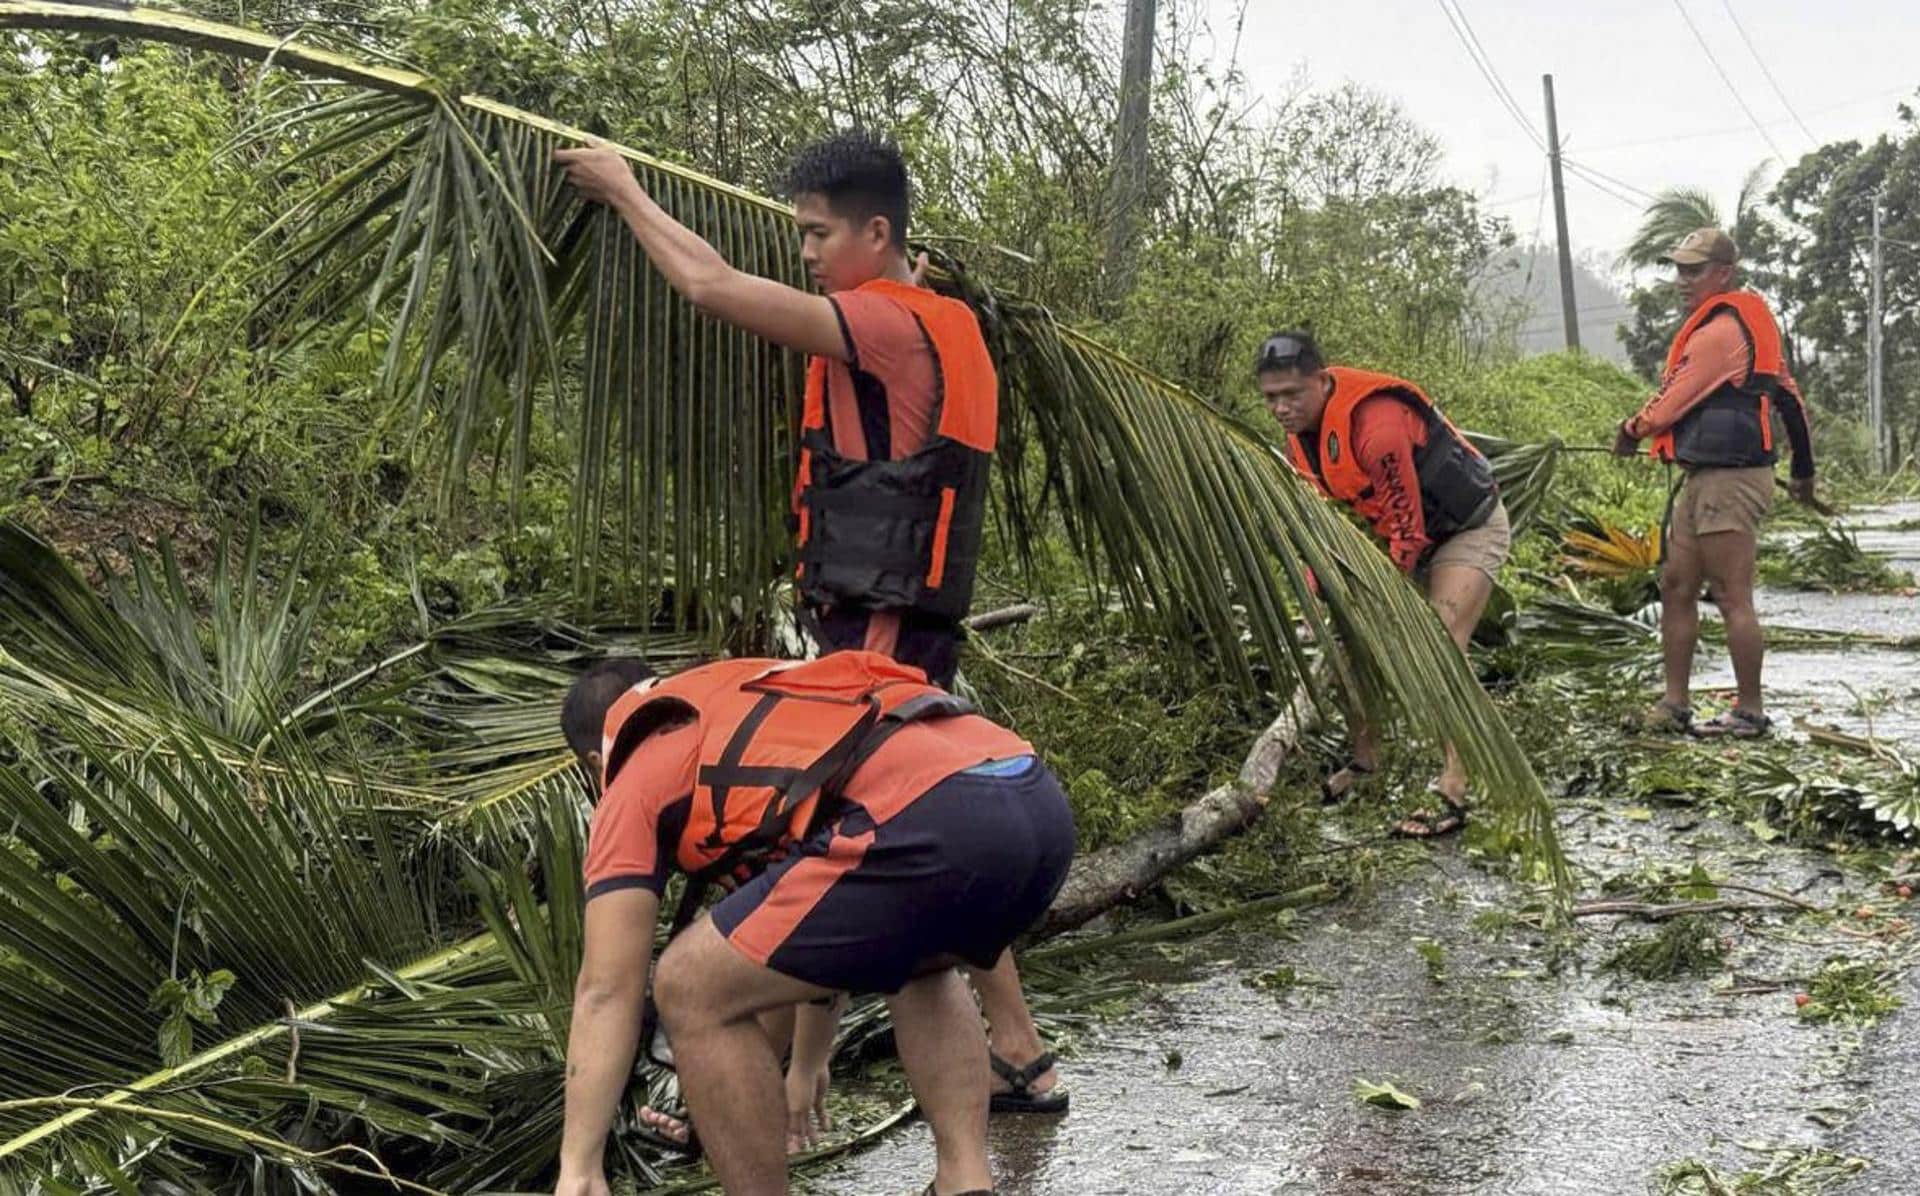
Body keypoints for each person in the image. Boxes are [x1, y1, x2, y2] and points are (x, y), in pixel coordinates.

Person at [552, 129, 1064, 1129]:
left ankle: (778, 1075)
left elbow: (708, 287)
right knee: (924, 870)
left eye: (819, 234)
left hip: (877, 648)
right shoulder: (942, 318)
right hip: (903, 635)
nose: (805, 253)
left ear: (877, 233)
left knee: (856, 854)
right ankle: (1014, 1053)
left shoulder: (885, 322)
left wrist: (625, 190)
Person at [553, 652, 1075, 1196]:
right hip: (1033, 797)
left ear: (595, 761)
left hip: (928, 817)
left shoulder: (635, 778)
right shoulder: (749, 701)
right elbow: (787, 959)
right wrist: (741, 1090)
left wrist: (579, 1166)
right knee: (921, 955)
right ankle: (964, 1181)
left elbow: (605, 991)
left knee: (685, 983)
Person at [1257, 330, 1509, 836]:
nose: (1282, 408)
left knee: (1441, 647)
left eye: (1292, 394)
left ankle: (1454, 788)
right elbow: (1325, 521)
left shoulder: (1377, 425)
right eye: (1271, 398)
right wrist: (1320, 586)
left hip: (1465, 528)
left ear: (1321, 381)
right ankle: (1365, 762)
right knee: (1354, 641)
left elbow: (1408, 531)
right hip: (1398, 534)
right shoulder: (1300, 443)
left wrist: (1383, 595)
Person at [1612, 227, 1817, 739]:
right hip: (1703, 477)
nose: (1683, 280)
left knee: (1729, 594)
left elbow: (1670, 405)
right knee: (1677, 584)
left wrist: (1631, 431)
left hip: (1732, 480)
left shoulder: (1721, 334)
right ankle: (1674, 704)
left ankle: (1749, 712)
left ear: (1723, 273)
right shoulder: (1744, 329)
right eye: (1679, 270)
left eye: (1694, 270)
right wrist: (1803, 472)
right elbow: (1790, 401)